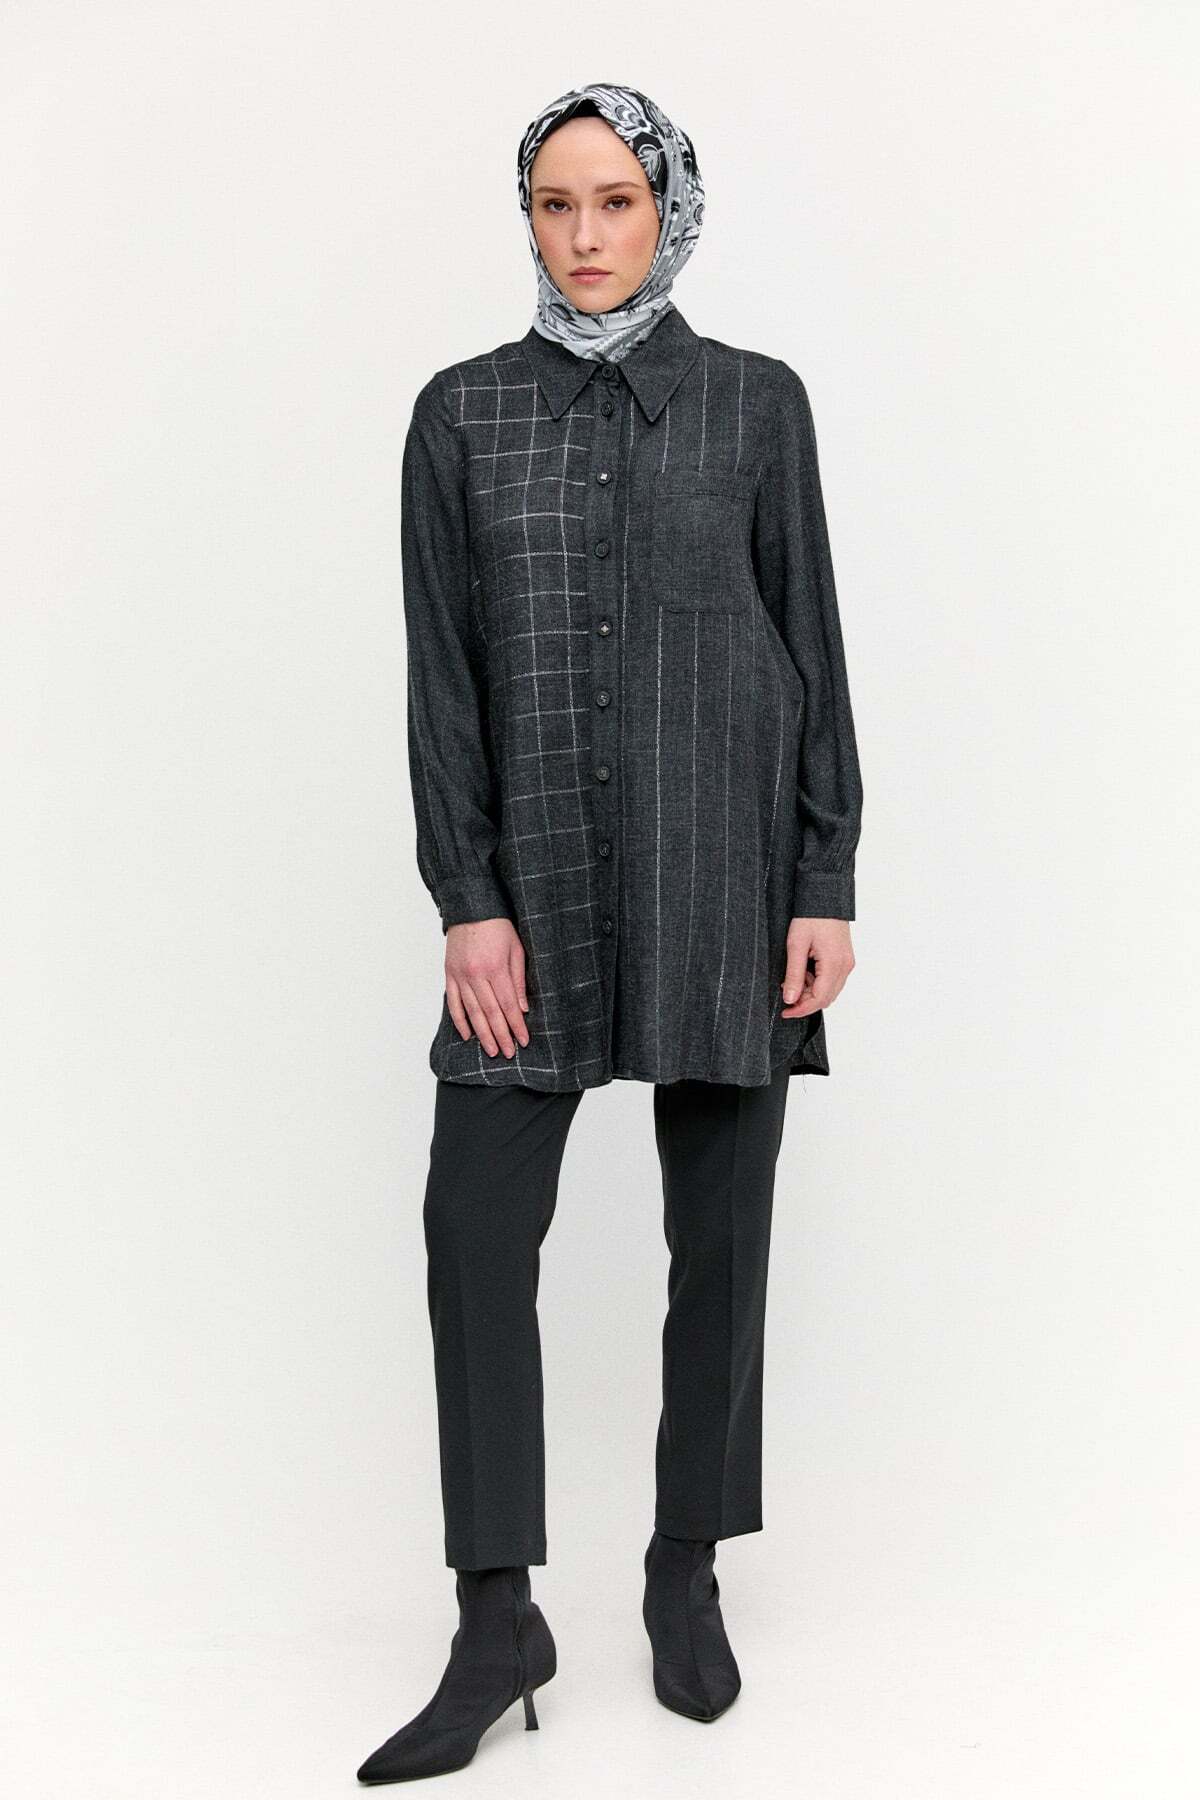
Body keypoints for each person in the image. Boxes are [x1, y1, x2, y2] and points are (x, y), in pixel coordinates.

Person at [356, 81, 863, 1784]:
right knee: (472, 1232)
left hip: (725, 872)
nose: (585, 236)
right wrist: (468, 899)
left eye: (617, 202)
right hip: (539, 888)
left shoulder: (756, 404)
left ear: (670, 211)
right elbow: (442, 678)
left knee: (719, 1239)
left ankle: (684, 1564)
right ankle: (496, 1616)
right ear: (527, 217)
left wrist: (825, 875)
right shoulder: (459, 415)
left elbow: (812, 643)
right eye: (556, 205)